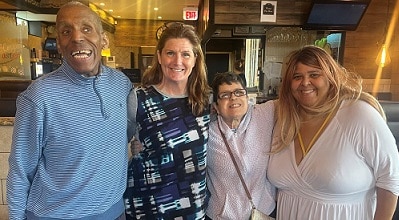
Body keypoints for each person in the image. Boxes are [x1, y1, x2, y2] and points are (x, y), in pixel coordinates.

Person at [7, 2, 132, 220]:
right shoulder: (38, 96)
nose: (76, 38)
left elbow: (126, 133)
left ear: (104, 39)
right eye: (66, 31)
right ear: (59, 44)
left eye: (86, 28)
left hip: (114, 213)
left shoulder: (121, 84)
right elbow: (20, 170)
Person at [267, 45, 399, 219]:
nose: (305, 82)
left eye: (314, 74)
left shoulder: (359, 113)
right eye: (297, 77)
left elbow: (390, 178)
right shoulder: (284, 118)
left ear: (330, 77)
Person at [123, 22, 210, 219]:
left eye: (186, 54)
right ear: (160, 57)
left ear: (195, 59)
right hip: (148, 206)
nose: (177, 61)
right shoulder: (139, 98)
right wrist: (132, 150)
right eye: (170, 53)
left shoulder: (205, 101)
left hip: (193, 205)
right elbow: (118, 147)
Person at [206, 72, 276, 219]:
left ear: (247, 98)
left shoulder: (264, 114)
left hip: (262, 212)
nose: (233, 97)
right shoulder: (207, 131)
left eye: (239, 92)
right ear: (216, 106)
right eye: (225, 95)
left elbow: (295, 100)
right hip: (221, 215)